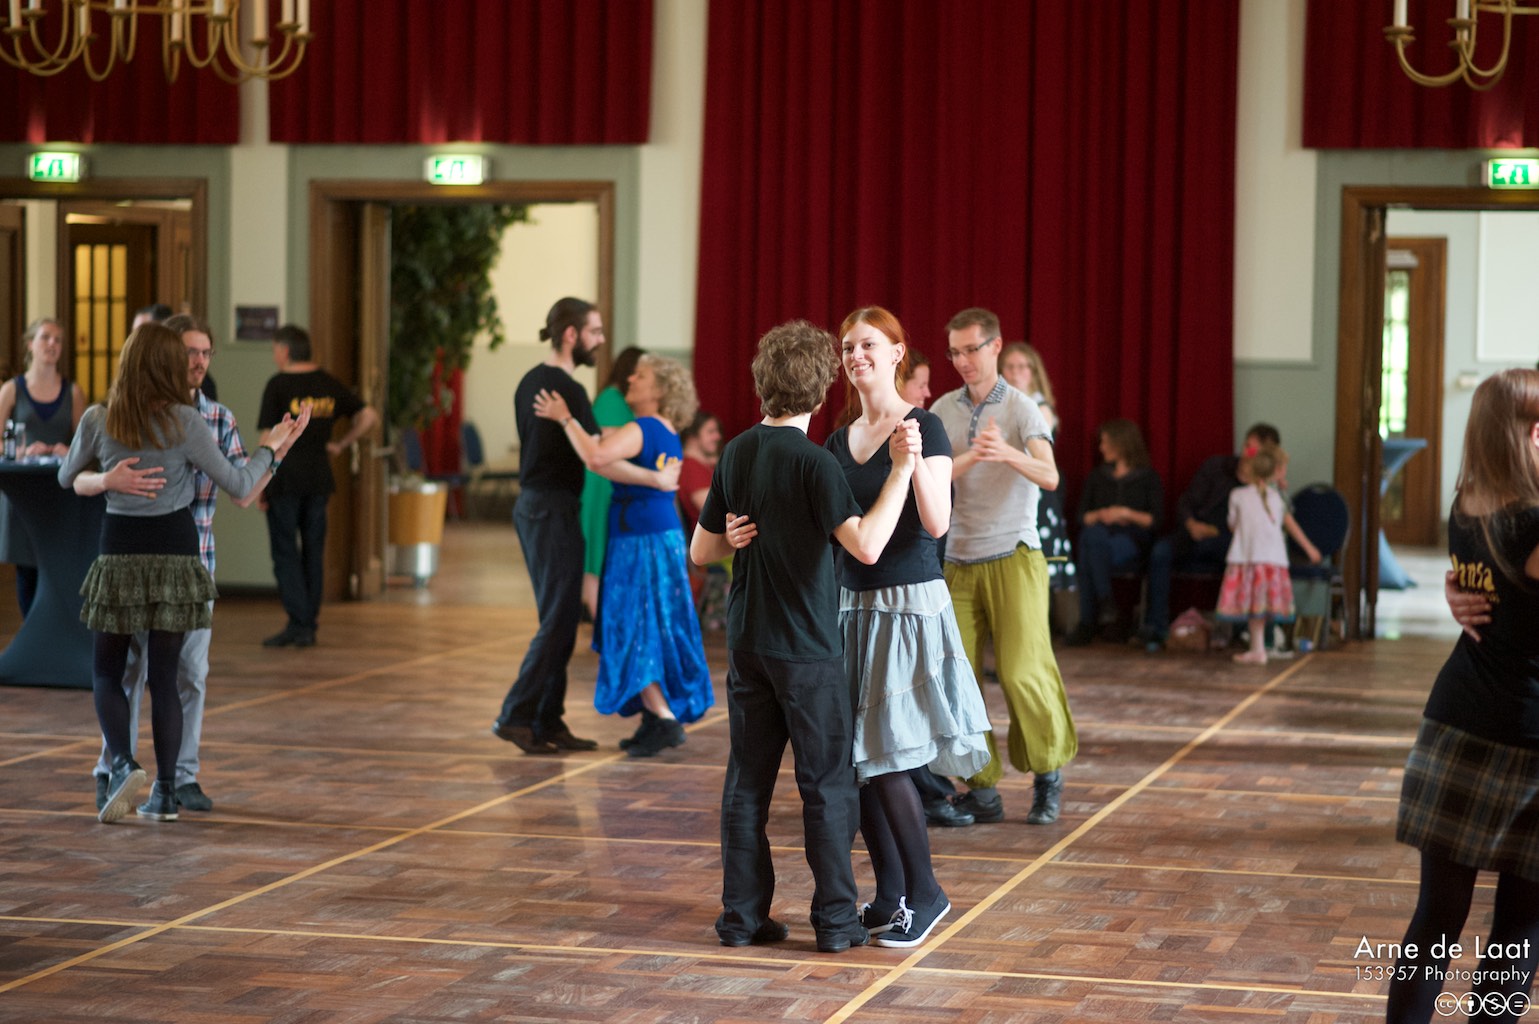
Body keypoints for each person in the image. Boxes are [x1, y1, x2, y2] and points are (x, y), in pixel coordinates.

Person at [692, 318, 915, 954]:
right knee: (826, 789)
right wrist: (901, 470)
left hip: (748, 642)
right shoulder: (817, 463)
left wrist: (732, 537)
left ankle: (741, 919)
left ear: (761, 384)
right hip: (808, 650)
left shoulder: (736, 451)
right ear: (820, 391)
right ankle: (837, 922)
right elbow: (866, 546)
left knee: (747, 784)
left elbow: (701, 551)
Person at [59, 323, 308, 823]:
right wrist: (272, 447)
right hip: (176, 557)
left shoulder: (99, 418)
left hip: (121, 555)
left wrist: (105, 479)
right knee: (165, 679)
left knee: (107, 672)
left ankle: (123, 764)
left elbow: (66, 477)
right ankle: (167, 794)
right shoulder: (187, 421)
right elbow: (240, 483)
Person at [826, 306, 991, 949]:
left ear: (897, 353)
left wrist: (913, 458)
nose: (857, 356)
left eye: (869, 344)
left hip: (906, 605)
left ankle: (927, 893)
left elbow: (937, 521)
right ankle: (891, 893)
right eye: (848, 347)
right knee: (860, 761)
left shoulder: (926, 426)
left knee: (888, 755)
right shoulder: (837, 441)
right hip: (851, 607)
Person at [1386, 368, 1539, 1023]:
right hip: (1523, 738)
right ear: (1529, 434)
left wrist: (1459, 590)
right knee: (1518, 929)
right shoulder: (1532, 521)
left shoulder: (1466, 503)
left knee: (1435, 920)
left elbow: (1494, 589)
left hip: (1455, 724)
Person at [491, 298, 677, 756]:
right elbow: (598, 455)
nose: (600, 340)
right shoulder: (566, 389)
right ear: (571, 335)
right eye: (594, 331)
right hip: (551, 509)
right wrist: (654, 478)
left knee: (556, 618)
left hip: (538, 507)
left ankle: (547, 719)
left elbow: (590, 445)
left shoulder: (531, 381)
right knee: (559, 619)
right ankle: (516, 715)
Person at [933, 307, 1077, 826]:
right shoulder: (943, 409)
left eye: (971, 349)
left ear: (995, 346)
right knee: (958, 679)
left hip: (1015, 554)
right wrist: (973, 457)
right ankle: (982, 788)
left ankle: (1048, 775)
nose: (962, 361)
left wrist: (1006, 453)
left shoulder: (1021, 407)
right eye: (955, 352)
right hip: (958, 559)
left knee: (1021, 670)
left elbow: (1050, 476)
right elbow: (931, 475)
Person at [532, 354, 713, 757]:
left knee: (631, 626)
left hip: (639, 540)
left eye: (641, 376)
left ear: (659, 390)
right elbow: (610, 464)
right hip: (659, 535)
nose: (631, 379)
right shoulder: (663, 429)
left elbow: (596, 458)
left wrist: (565, 418)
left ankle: (663, 718)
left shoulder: (643, 427)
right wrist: (648, 476)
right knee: (652, 625)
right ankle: (652, 717)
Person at [256, 324, 380, 648]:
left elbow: (267, 438)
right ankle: (308, 622)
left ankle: (298, 622)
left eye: (275, 350)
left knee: (285, 551)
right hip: (319, 479)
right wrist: (341, 444)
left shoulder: (278, 385)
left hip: (283, 477)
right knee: (313, 550)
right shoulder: (328, 383)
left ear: (284, 351)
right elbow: (369, 416)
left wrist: (258, 482)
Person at [1139, 423, 1281, 653]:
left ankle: (1244, 633)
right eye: (1247, 445)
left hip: (1230, 544)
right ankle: (1157, 628)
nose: (1247, 453)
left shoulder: (1263, 488)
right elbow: (1187, 502)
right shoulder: (1216, 467)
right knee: (1160, 552)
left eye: (1255, 450)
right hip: (1194, 534)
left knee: (1248, 563)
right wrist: (1191, 524)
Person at [0, 317, 86, 616]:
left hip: (57, 491)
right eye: (45, 337)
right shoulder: (11, 390)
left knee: (57, 566)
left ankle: (52, 632)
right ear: (30, 345)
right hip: (22, 492)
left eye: (58, 340)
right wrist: (20, 451)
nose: (52, 344)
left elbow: (86, 445)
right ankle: (31, 630)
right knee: (26, 569)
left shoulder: (73, 392)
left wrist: (68, 450)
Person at [1214, 443, 1319, 665]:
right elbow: (1287, 523)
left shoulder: (1239, 495)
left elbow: (1233, 525)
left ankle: (1258, 647)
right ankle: (1258, 647)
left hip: (1247, 559)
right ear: (1275, 471)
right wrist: (1310, 548)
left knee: (1254, 607)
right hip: (1272, 561)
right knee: (1260, 608)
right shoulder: (1277, 498)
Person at [1066, 418, 1164, 646]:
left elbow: (1155, 520)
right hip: (1100, 538)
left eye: (1106, 442)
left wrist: (1125, 513)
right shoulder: (1097, 476)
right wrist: (1102, 514)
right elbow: (1082, 517)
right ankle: (1106, 602)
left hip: (1131, 540)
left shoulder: (1148, 477)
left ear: (1122, 444)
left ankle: (1090, 619)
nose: (1101, 448)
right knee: (1091, 537)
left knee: (1088, 544)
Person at [999, 342, 1073, 599]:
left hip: (1035, 493)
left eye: (1022, 366)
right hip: (1006, 492)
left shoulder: (1041, 409)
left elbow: (1033, 455)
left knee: (1036, 570)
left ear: (1033, 371)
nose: (1015, 373)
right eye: (1009, 367)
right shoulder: (999, 404)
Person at [578, 346, 645, 620]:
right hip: (601, 486)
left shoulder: (617, 399)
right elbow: (604, 440)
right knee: (596, 552)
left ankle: (605, 621)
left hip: (609, 483)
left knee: (604, 551)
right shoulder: (611, 399)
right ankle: (600, 620)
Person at [678, 411, 727, 626]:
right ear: (692, 437)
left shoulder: (699, 466)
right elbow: (715, 512)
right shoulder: (691, 468)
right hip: (712, 546)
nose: (717, 436)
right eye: (710, 432)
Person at [134, 303, 217, 401]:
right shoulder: (138, 398)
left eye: (206, 353)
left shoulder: (211, 395)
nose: (200, 361)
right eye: (191, 352)